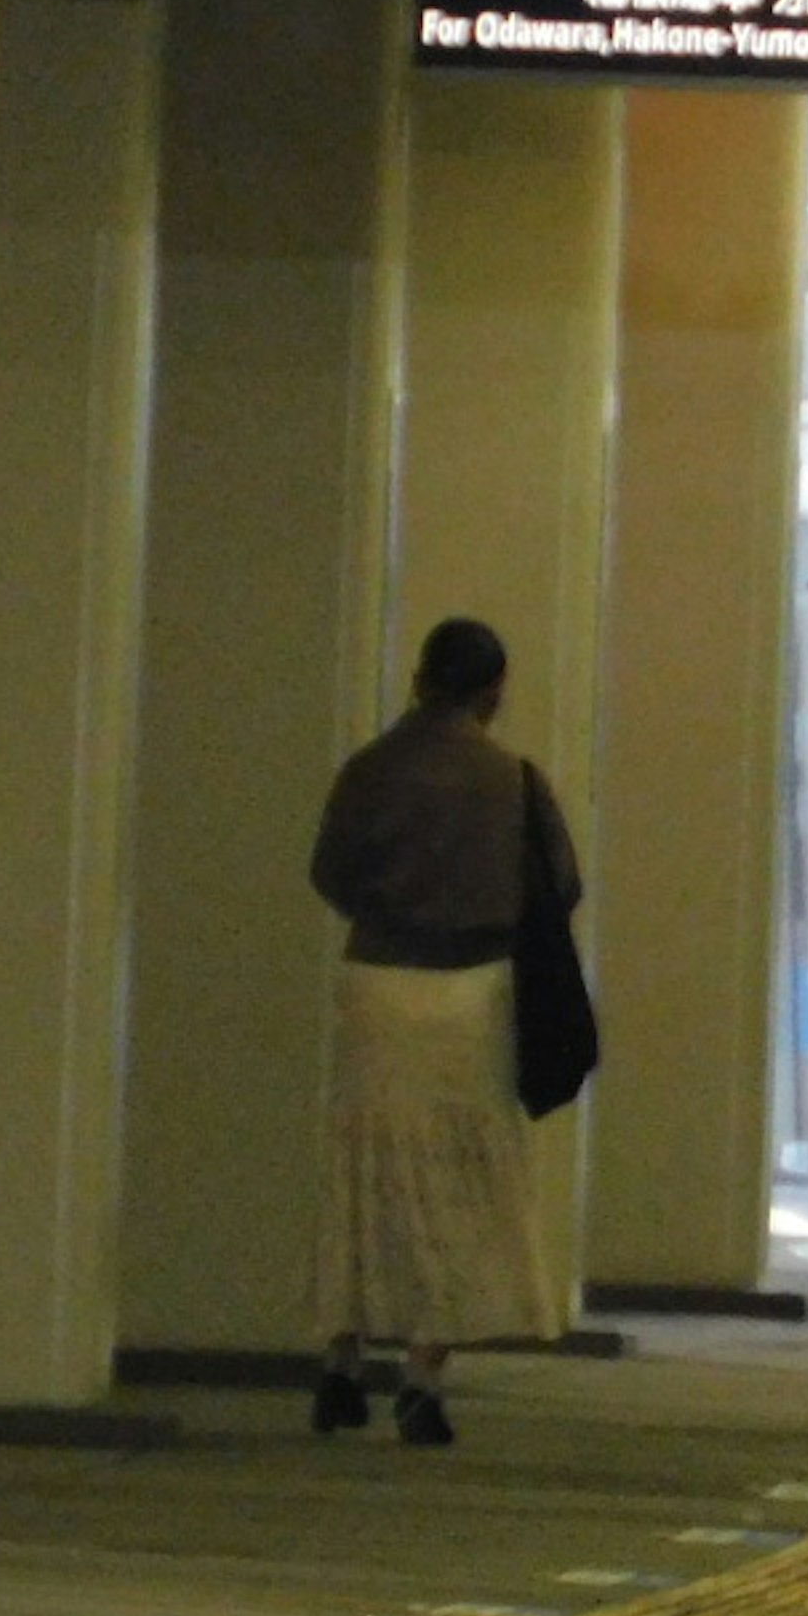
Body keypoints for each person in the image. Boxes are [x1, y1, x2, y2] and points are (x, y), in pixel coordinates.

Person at [305, 617, 582, 1447]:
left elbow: (328, 871)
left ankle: (340, 1365)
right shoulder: (515, 781)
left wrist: (390, 910)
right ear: (493, 690)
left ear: (421, 680)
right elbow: (559, 887)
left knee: (365, 1173)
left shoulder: (367, 771)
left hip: (377, 988)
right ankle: (422, 1380)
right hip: (472, 998)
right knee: (457, 1184)